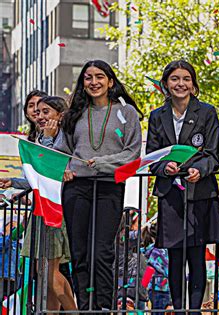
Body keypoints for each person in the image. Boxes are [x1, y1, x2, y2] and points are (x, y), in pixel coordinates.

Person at [56, 60, 143, 311]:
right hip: (77, 188)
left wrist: (103, 163)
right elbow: (64, 151)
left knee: (102, 252)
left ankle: (104, 306)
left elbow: (133, 153)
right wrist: (65, 170)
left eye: (99, 77)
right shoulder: (74, 114)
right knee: (80, 252)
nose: (94, 82)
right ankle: (85, 306)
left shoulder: (126, 113)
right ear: (82, 83)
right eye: (88, 78)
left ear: (110, 81)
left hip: (109, 186)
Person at [145, 60, 219, 314]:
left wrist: (198, 170)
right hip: (171, 195)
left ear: (193, 84)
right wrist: (165, 167)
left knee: (197, 255)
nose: (181, 84)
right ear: (166, 84)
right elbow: (151, 158)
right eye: (175, 79)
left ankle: (195, 309)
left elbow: (213, 154)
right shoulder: (157, 116)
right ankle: (178, 308)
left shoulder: (207, 112)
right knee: (175, 257)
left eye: (186, 79)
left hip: (200, 193)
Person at [1, 95, 77, 313]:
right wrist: (14, 182)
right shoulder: (42, 136)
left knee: (48, 269)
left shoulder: (61, 137)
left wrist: (47, 138)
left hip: (53, 209)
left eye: (46, 112)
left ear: (60, 115)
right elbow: (38, 176)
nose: (40, 115)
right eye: (37, 111)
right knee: (43, 270)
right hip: (42, 210)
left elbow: (49, 166)